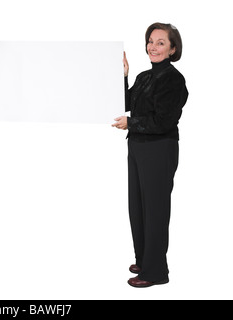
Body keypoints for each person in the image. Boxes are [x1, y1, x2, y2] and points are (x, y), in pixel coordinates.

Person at [112, 22, 188, 287]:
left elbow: (164, 121)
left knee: (155, 210)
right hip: (138, 147)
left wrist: (130, 123)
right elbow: (126, 103)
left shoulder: (173, 79)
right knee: (138, 207)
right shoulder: (145, 76)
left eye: (160, 43)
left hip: (159, 148)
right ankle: (144, 259)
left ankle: (156, 272)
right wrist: (124, 75)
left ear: (172, 49)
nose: (153, 47)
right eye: (151, 41)